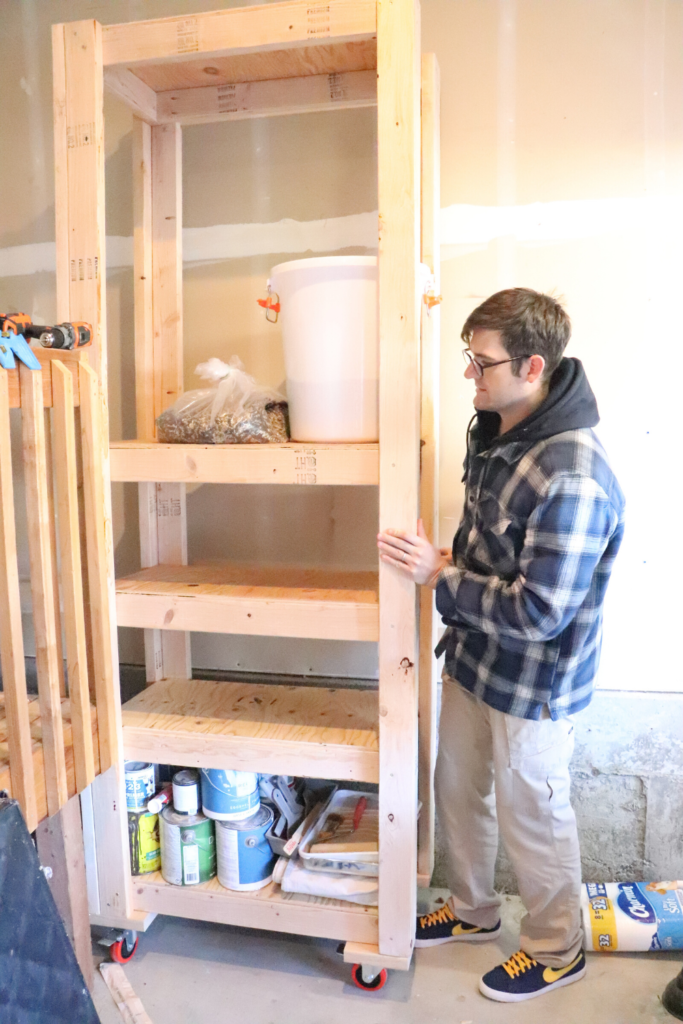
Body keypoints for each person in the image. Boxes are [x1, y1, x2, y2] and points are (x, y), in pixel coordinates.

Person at [377, 288, 625, 1003]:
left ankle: (555, 949)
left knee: (533, 816)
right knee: (457, 791)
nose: (469, 375)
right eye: (468, 358)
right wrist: (448, 569)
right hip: (476, 660)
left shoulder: (571, 473)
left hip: (535, 683)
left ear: (532, 365)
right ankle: (472, 912)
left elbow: (542, 611)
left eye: (480, 363)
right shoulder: (496, 430)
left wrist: (436, 576)